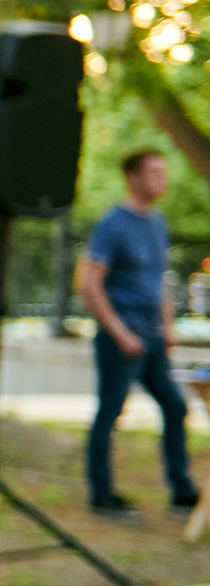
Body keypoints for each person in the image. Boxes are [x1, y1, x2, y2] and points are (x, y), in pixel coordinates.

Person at [78, 147, 196, 514]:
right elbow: (89, 284)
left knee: (175, 407)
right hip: (122, 337)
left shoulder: (157, 223)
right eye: (154, 172)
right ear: (133, 178)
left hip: (152, 337)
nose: (162, 179)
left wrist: (167, 326)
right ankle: (101, 493)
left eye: (164, 172)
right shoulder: (112, 224)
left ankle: (181, 489)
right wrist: (119, 332)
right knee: (110, 412)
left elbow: (158, 281)